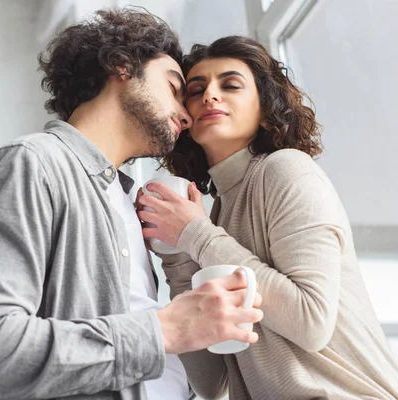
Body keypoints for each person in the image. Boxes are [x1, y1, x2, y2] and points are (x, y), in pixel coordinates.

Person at [0, 11, 263, 400]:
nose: (186, 115)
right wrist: (164, 330)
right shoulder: (35, 163)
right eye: (174, 87)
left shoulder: (123, 199)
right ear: (121, 65)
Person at [137, 35, 398, 399]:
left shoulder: (286, 170)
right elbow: (212, 384)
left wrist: (195, 234)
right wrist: (180, 258)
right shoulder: (217, 214)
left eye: (230, 85)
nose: (210, 95)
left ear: (265, 108)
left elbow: (311, 322)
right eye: (196, 91)